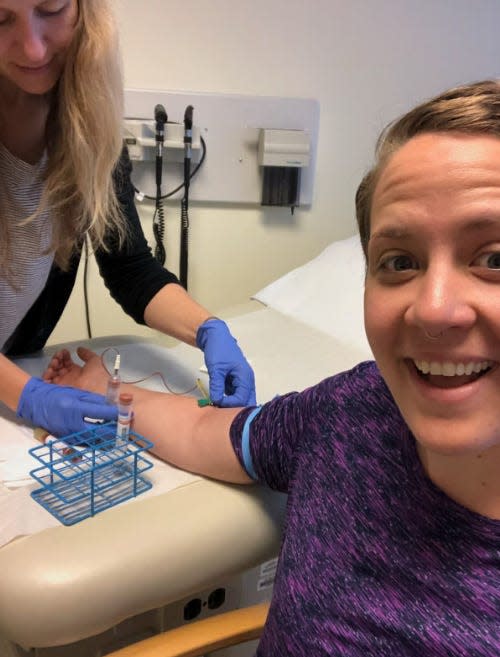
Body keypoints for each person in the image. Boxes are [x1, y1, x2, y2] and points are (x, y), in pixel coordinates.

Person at [43, 79, 500, 656]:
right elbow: (203, 429)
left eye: (494, 258)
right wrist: (104, 391)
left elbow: (131, 267)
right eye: (399, 261)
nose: (434, 308)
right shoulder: (351, 413)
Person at [0, 0, 255, 438]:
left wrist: (209, 330)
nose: (34, 49)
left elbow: (130, 268)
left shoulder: (88, 128)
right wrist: (29, 397)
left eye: (51, 8)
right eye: (0, 19)